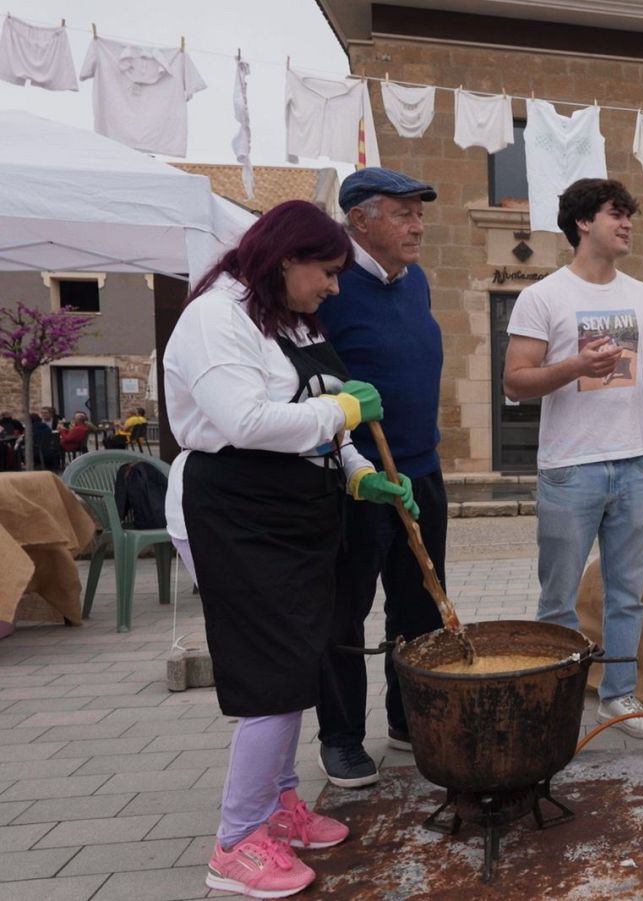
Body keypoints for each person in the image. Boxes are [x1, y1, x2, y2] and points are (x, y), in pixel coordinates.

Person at [162, 200, 418, 899]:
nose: (335, 287)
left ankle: (277, 804)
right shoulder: (215, 319)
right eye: (327, 272)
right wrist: (343, 410)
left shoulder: (293, 321)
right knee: (273, 674)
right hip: (233, 511)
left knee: (299, 663)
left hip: (296, 509)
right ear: (286, 259)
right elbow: (245, 419)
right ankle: (236, 842)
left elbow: (327, 426)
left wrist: (364, 476)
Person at [502, 178, 643, 739]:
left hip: (635, 463)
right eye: (617, 214)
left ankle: (618, 697)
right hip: (569, 467)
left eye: (629, 215)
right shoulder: (542, 297)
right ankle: (552, 700)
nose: (627, 224)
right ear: (584, 222)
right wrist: (574, 367)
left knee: (627, 594)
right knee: (557, 597)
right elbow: (515, 382)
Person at [313, 167, 449, 789]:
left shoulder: (414, 281)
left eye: (418, 213)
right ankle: (341, 737)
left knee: (418, 604)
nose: (417, 224)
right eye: (402, 213)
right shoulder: (333, 291)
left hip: (421, 471)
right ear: (359, 220)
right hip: (356, 480)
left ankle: (405, 719)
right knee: (345, 609)